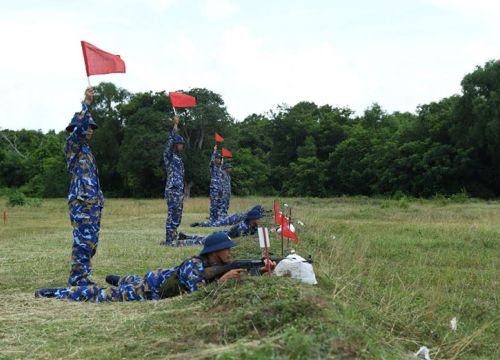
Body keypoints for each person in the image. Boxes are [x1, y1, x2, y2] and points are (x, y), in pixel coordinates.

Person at [34, 232, 275, 302]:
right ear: (214, 252)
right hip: (149, 288)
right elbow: (197, 293)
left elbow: (234, 275)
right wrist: (222, 281)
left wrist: (260, 272)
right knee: (97, 293)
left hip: (157, 278)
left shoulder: (215, 264)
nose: (231, 253)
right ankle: (55, 292)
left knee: (128, 279)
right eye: (227, 249)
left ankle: (120, 278)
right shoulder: (194, 265)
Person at [64, 87, 103, 286]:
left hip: (92, 203)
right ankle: (78, 278)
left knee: (91, 242)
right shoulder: (73, 145)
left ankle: (83, 275)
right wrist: (86, 104)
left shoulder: (87, 151)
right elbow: (78, 130)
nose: (90, 129)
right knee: (83, 241)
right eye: (88, 126)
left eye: (92, 127)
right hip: (81, 203)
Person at [175, 205, 263, 246]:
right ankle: (177, 243)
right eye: (258, 218)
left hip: (224, 235)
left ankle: (186, 237)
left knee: (204, 238)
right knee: (202, 241)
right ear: (252, 219)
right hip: (223, 237)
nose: (259, 220)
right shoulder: (243, 227)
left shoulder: (251, 225)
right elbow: (240, 241)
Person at [163, 115, 185, 245]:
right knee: (172, 215)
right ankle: (169, 239)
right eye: (180, 144)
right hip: (173, 190)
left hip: (179, 191)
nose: (182, 146)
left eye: (182, 144)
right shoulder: (169, 156)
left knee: (178, 214)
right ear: (175, 145)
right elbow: (169, 142)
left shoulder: (178, 158)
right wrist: (175, 126)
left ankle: (173, 237)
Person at [191, 204, 263, 228]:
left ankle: (202, 223)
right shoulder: (249, 216)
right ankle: (199, 224)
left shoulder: (250, 213)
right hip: (230, 220)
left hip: (232, 218)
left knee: (216, 222)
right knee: (215, 224)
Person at [208, 146, 224, 222]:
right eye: (217, 158)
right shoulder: (213, 166)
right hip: (214, 188)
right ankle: (212, 218)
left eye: (220, 158)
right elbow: (211, 161)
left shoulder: (220, 168)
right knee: (213, 203)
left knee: (219, 203)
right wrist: (214, 152)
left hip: (220, 188)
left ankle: (218, 218)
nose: (219, 159)